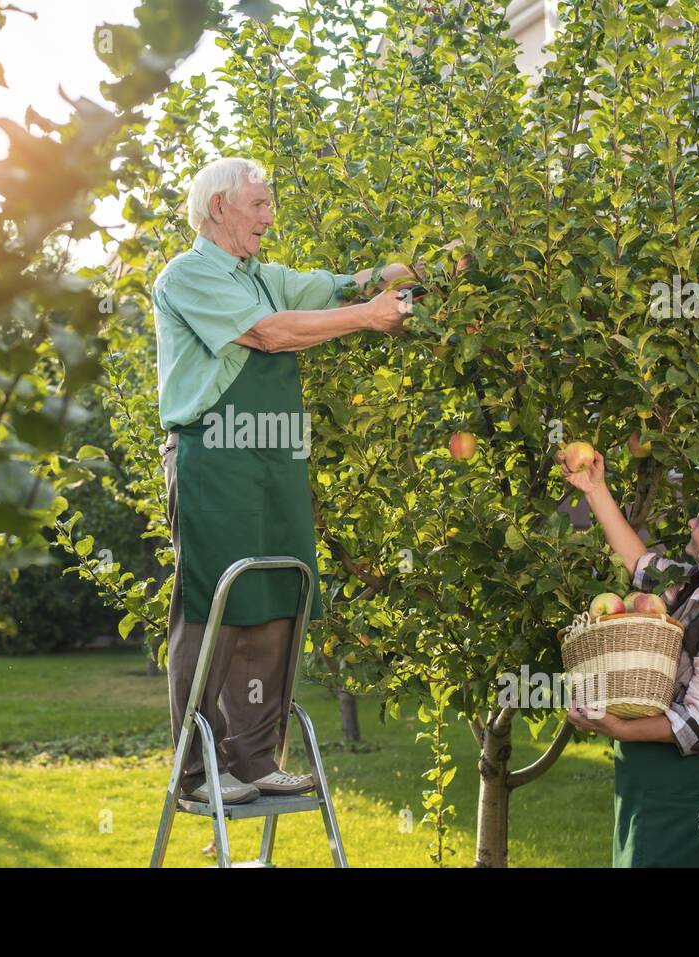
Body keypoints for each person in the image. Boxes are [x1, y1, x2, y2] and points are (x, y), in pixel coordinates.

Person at [152, 155, 465, 805]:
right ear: (219, 209)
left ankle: (253, 756)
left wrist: (430, 272)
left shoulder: (264, 278)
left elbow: (353, 284)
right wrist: (369, 316)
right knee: (218, 604)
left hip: (273, 458)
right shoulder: (188, 276)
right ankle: (197, 771)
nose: (270, 217)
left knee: (278, 594)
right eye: (259, 205)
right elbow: (270, 335)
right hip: (215, 455)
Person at [561, 453, 699, 867]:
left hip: (692, 795)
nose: (691, 524)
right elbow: (640, 565)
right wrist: (595, 489)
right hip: (654, 786)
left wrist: (615, 727)